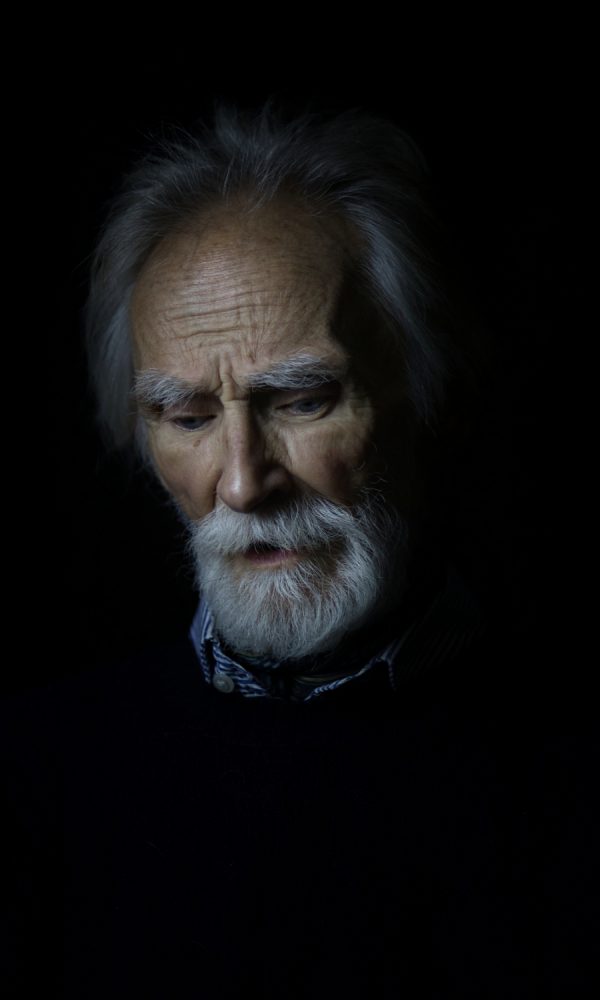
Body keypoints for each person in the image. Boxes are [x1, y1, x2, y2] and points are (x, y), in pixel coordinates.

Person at [3, 103, 591, 998]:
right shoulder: (31, 775)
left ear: (426, 390)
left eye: (303, 399)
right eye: (188, 417)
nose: (243, 484)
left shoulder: (574, 776)